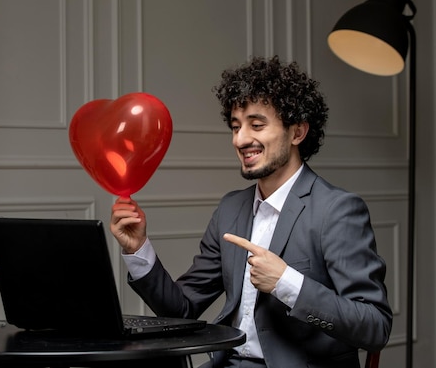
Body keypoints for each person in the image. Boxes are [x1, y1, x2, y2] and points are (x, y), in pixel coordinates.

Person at [109, 56, 392, 368]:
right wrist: (138, 250)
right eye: (235, 127)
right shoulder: (231, 207)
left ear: (297, 132)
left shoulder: (337, 210)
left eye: (256, 125)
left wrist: (286, 282)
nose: (241, 139)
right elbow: (182, 310)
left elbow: (374, 327)